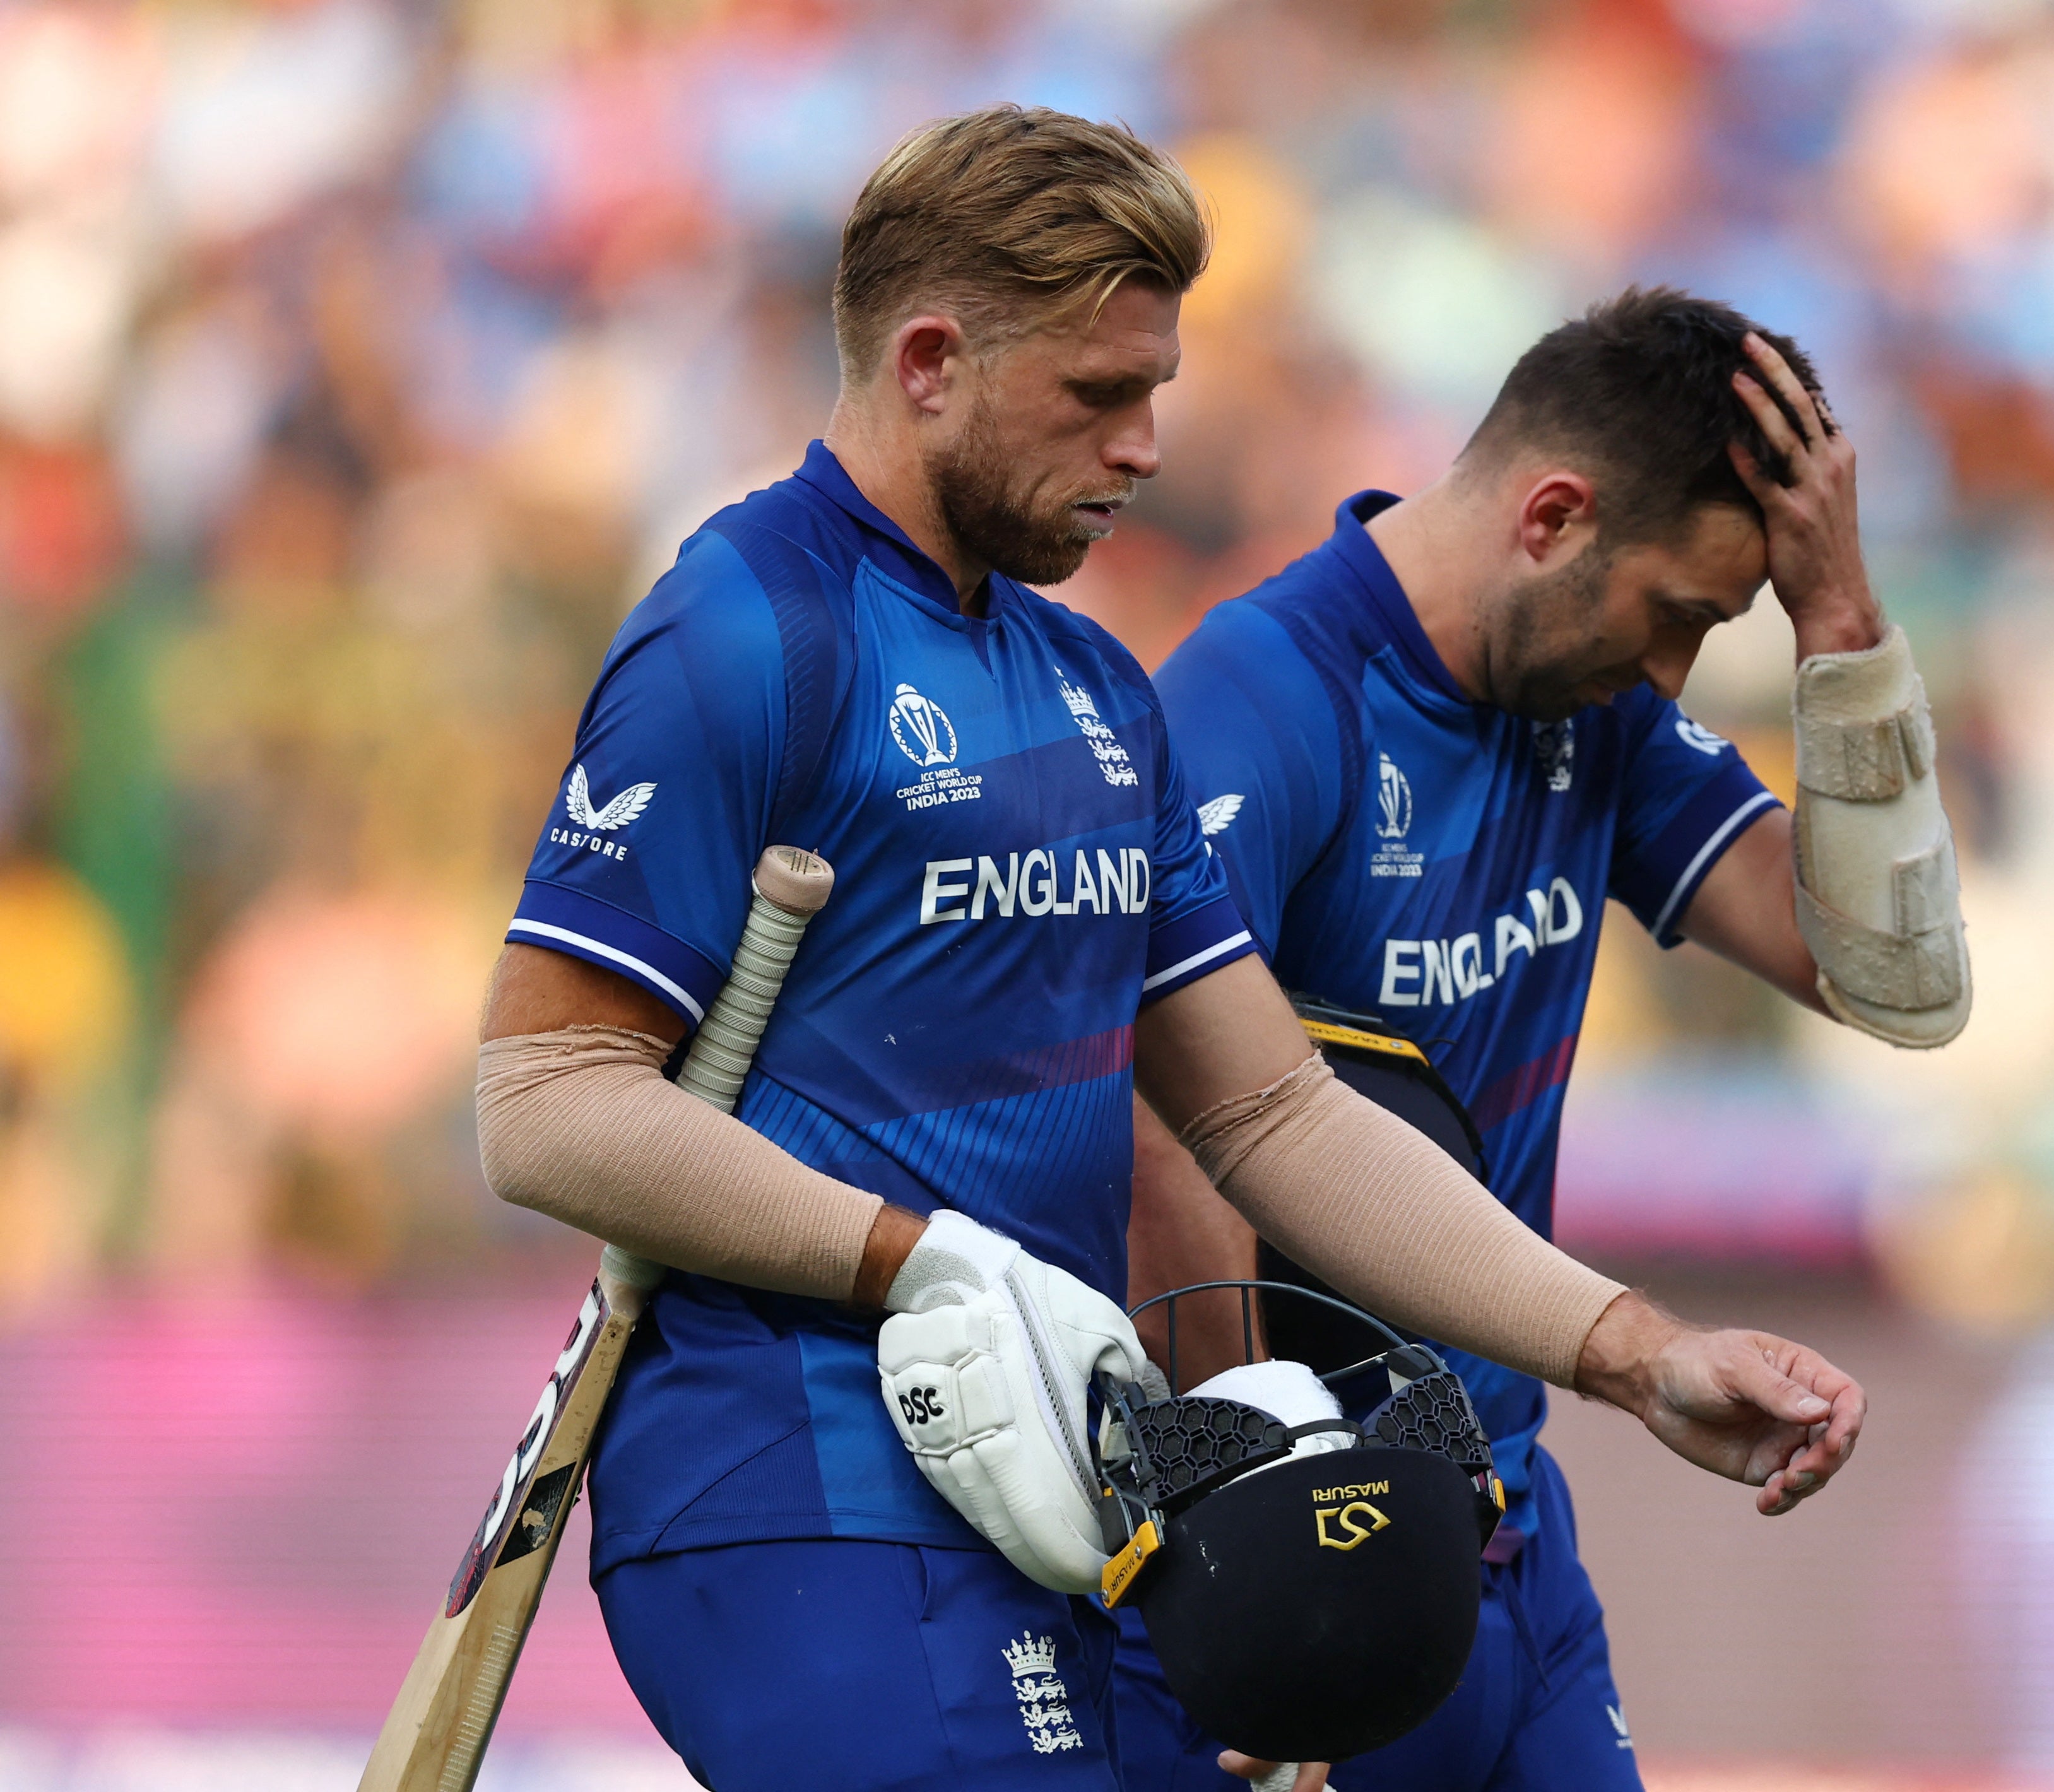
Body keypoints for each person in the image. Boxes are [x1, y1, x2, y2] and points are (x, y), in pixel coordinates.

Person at [472, 105, 1867, 1792]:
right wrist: (924, 1259)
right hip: (800, 1495)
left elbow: (1274, 1121)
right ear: (928, 362)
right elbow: (544, 1101)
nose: (1143, 446)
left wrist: (1639, 1354)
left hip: (1060, 1512)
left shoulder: (1094, 690)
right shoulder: (746, 629)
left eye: (1155, 394)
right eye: (1097, 395)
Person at [1116, 287, 1967, 1792]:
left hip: (1508, 1533)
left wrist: (1841, 629)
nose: (1673, 679)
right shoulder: (1266, 699)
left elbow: (1888, 977)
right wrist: (1259, 1539)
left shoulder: (1597, 712)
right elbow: (1160, 1124)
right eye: (1682, 617)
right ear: (1554, 515)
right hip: (1324, 1548)